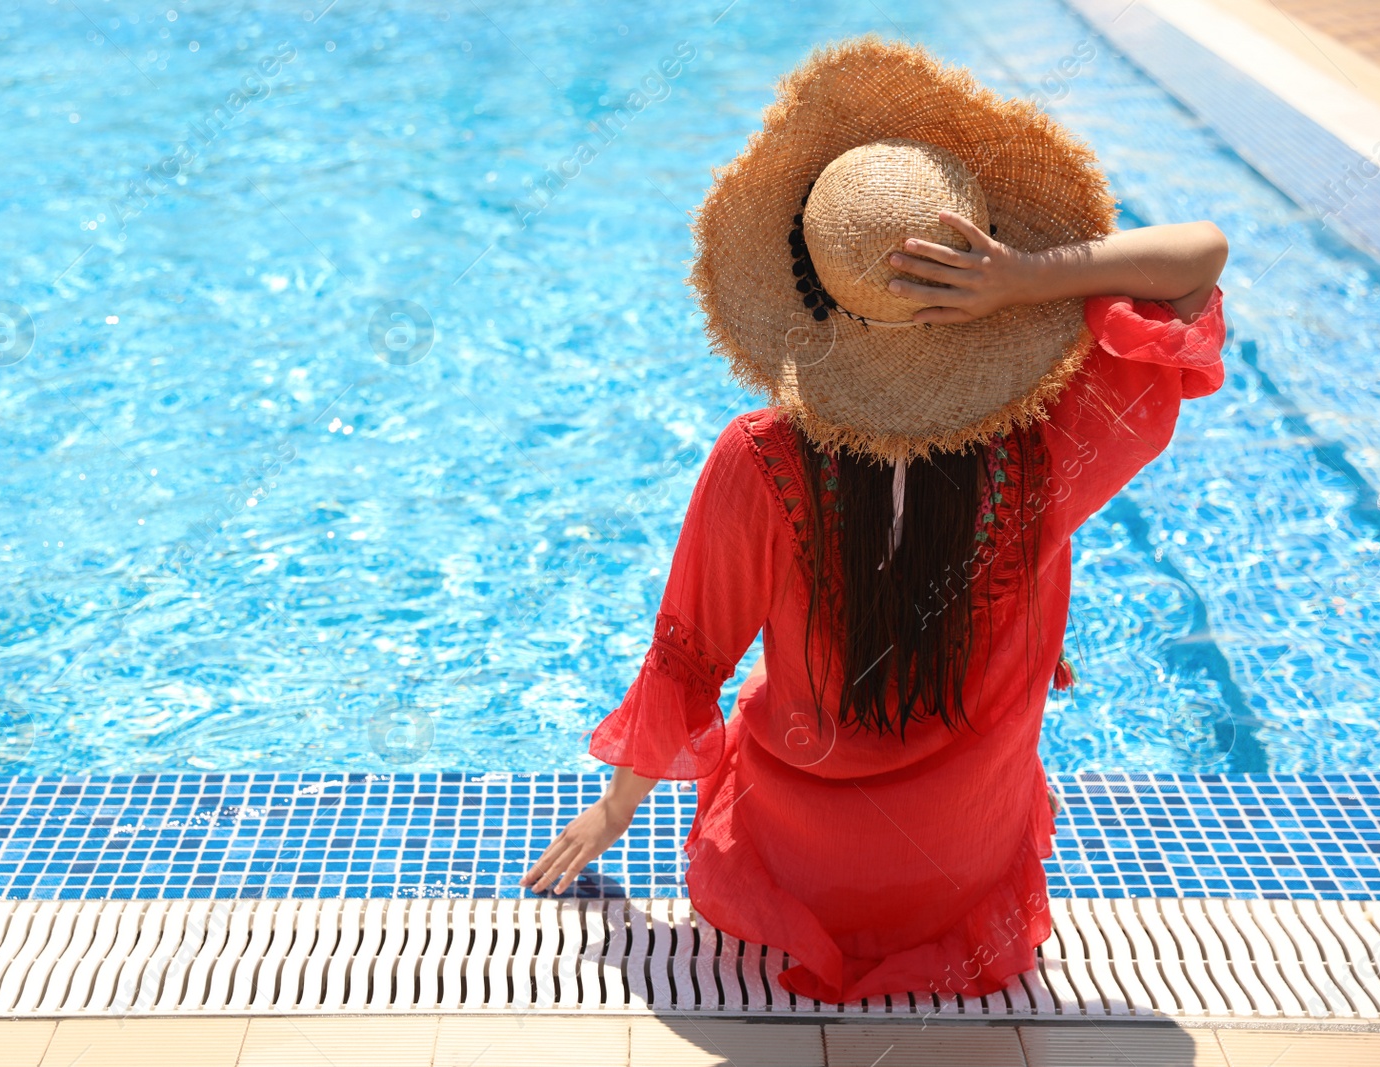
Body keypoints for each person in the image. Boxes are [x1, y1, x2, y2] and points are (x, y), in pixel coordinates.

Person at [521, 35, 1228, 1003]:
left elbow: (690, 654)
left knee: (774, 680)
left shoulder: (761, 456)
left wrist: (611, 812)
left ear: (808, 285)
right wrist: (1024, 278)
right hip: (959, 861)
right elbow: (1196, 256)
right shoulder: (1045, 448)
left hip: (802, 859)